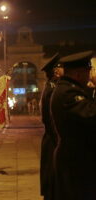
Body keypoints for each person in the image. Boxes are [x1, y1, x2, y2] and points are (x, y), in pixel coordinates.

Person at [50, 51, 96, 200]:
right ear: (78, 74)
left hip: (77, 158)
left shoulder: (70, 89)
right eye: (88, 72)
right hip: (75, 161)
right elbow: (91, 115)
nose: (90, 76)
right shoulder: (68, 93)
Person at [39, 53, 63, 200]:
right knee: (54, 180)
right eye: (61, 67)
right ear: (55, 71)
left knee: (52, 181)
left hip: (51, 139)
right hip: (54, 140)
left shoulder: (50, 86)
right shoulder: (54, 89)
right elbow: (51, 120)